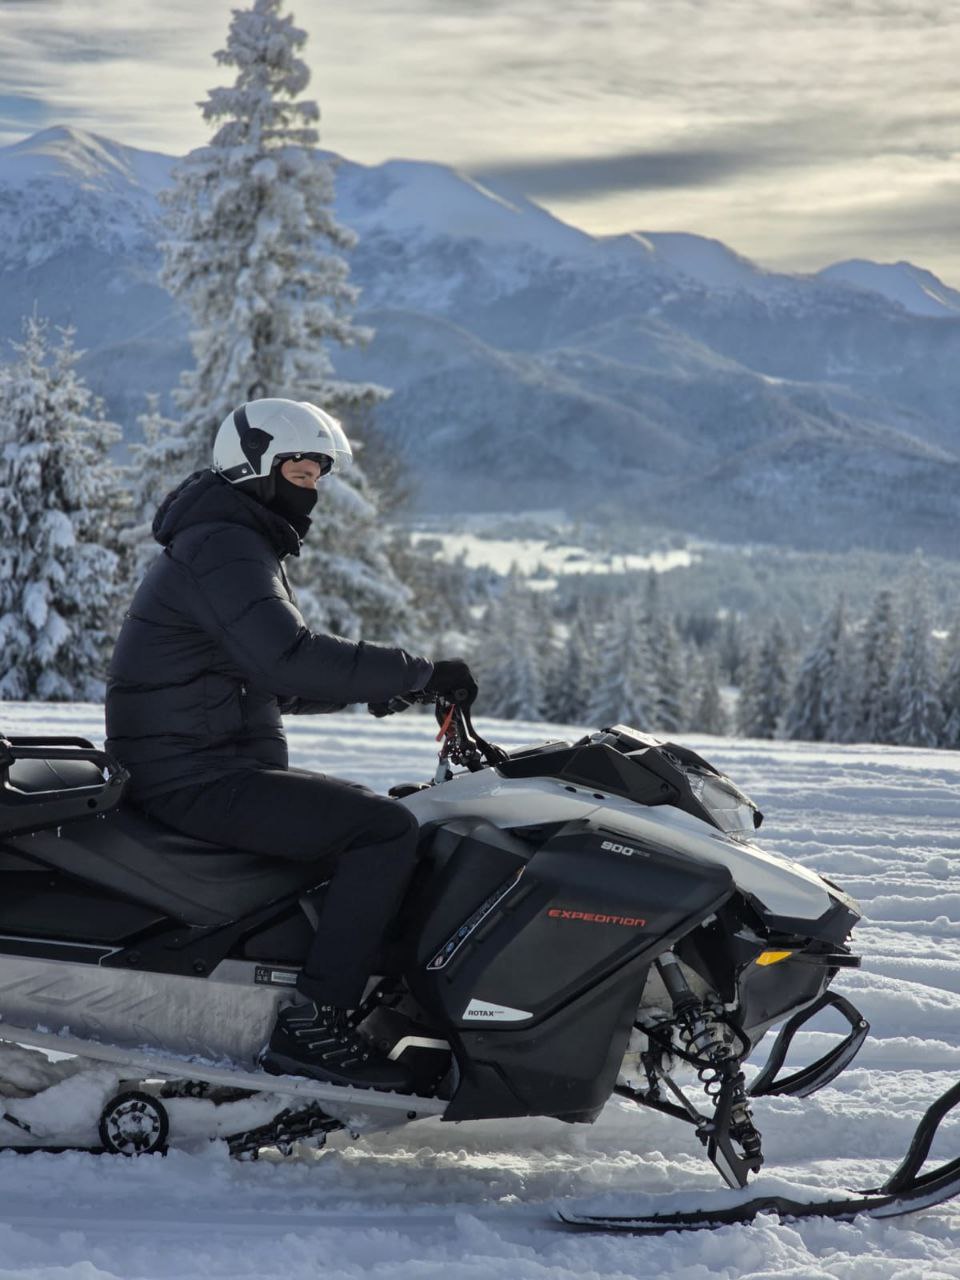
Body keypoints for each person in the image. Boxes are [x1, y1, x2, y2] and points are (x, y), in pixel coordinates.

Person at [105, 398, 477, 1091]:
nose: (309, 490)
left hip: (201, 762)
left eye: (316, 476)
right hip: (193, 775)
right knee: (384, 830)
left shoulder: (228, 537)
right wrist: (419, 669)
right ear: (251, 469)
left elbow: (265, 678)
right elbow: (287, 657)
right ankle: (314, 1025)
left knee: (381, 814)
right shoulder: (224, 543)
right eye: (297, 473)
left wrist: (382, 691)